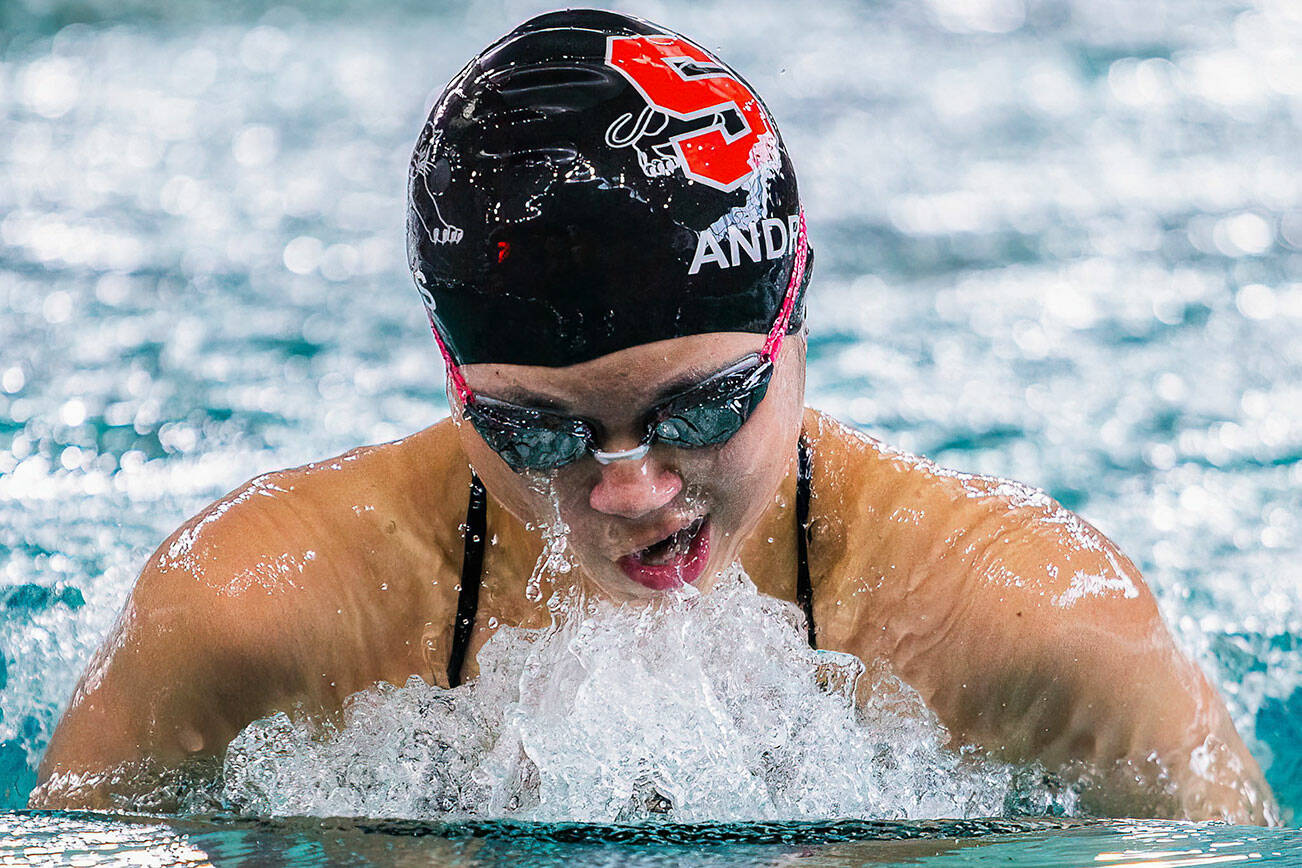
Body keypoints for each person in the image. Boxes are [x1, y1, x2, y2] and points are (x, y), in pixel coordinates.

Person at [31, 9, 1275, 823]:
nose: (628, 489)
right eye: (538, 430)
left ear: (796, 322)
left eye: (702, 406)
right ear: (453, 385)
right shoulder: (248, 610)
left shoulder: (1039, 624)